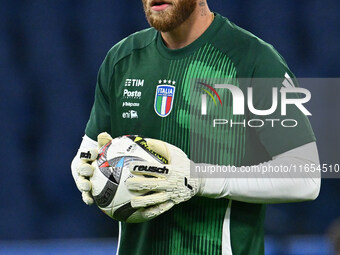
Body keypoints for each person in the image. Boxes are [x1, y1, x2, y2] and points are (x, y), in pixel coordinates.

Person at [71, 0, 321, 254]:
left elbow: (306, 176)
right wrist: (84, 169)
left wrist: (201, 179)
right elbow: (89, 151)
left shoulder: (254, 60)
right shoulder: (121, 59)